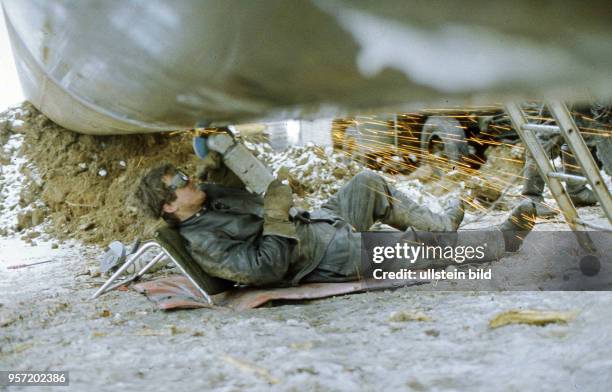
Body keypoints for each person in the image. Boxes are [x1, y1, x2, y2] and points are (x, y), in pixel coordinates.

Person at [135, 160, 535, 287]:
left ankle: (442, 223)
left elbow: (248, 188)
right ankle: (503, 241)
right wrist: (275, 213)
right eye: (180, 184)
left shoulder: (208, 197)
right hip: (324, 256)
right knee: (415, 249)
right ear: (169, 207)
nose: (192, 181)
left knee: (366, 184)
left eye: (187, 176)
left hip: (321, 221)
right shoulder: (204, 243)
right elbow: (265, 269)